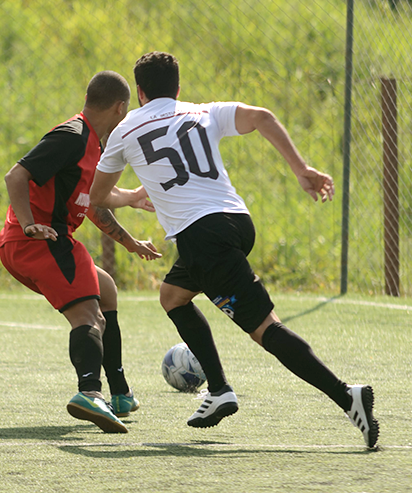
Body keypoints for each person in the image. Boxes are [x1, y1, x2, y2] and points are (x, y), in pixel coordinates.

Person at [89, 51, 379, 448]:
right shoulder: (200, 111)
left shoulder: (125, 130)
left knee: (265, 330)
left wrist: (134, 197)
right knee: (172, 295)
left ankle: (347, 396)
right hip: (236, 222)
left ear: (139, 92)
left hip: (201, 238)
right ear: (178, 87)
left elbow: (98, 196)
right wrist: (301, 169)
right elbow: (261, 117)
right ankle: (219, 388)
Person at [0, 70, 161, 434]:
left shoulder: (91, 142)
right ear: (120, 108)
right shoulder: (73, 136)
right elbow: (15, 177)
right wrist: (28, 224)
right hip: (38, 241)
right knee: (90, 317)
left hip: (40, 241)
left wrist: (131, 222)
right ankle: (90, 391)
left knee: (106, 291)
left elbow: (93, 202)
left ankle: (119, 393)